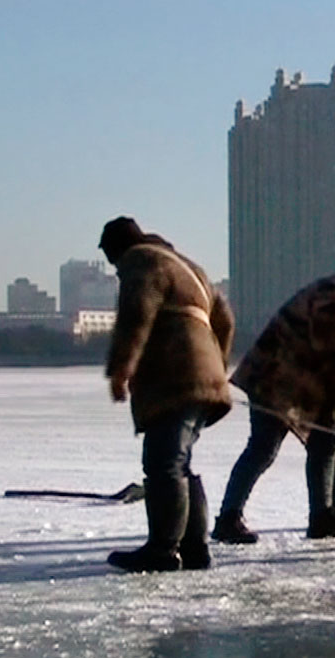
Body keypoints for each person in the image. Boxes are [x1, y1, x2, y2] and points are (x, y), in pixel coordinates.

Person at [213, 254, 335, 544]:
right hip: (274, 377)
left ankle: (323, 515)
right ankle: (228, 517)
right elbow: (333, 350)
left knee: (327, 442)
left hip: (309, 383)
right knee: (264, 447)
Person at [101, 216, 234, 572]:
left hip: (174, 375)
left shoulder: (141, 260)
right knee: (180, 462)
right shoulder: (191, 268)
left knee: (163, 464)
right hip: (203, 377)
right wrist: (216, 366)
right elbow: (225, 320)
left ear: (117, 250)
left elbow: (136, 314)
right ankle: (194, 548)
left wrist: (121, 369)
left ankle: (162, 549)